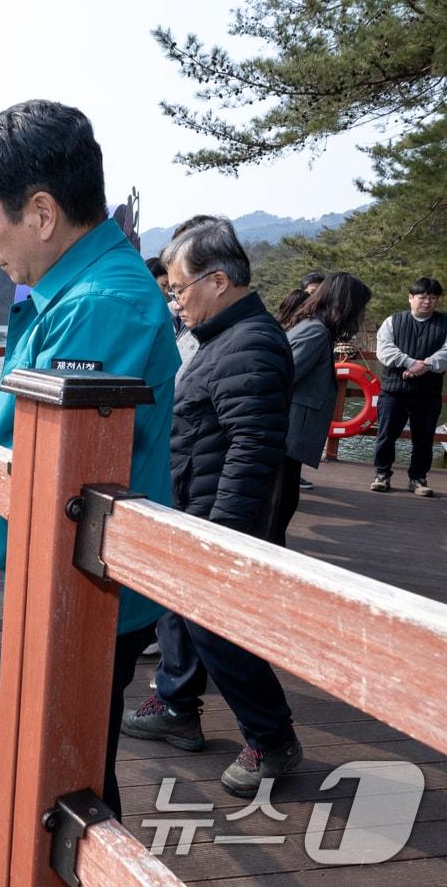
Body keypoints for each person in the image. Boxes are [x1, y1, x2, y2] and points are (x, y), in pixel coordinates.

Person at [0, 100, 180, 883]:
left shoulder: (97, 305)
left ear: (41, 213)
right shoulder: (76, 289)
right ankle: (28, 855)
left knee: (73, 767)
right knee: (61, 755)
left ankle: (61, 869)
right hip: (72, 571)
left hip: (83, 584)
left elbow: (52, 467)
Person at [121, 217, 302, 799]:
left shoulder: (251, 343)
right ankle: (178, 707)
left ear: (217, 281)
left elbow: (254, 449)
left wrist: (218, 534)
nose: (174, 301)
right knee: (184, 618)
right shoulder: (224, 338)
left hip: (214, 520)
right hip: (192, 508)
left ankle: (273, 741)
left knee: (219, 631)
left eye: (178, 289)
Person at [271, 273, 373, 540]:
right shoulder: (315, 332)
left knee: (284, 500)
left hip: (290, 433)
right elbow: (282, 377)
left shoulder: (314, 328)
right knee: (279, 505)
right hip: (288, 432)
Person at [370, 277, 446, 497]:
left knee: (424, 438)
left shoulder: (444, 323)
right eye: (422, 297)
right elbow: (384, 350)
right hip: (394, 391)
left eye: (433, 298)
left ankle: (418, 479)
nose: (427, 302)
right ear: (410, 298)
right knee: (386, 435)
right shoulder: (393, 321)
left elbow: (446, 353)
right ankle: (382, 474)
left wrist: (425, 365)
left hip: (428, 393)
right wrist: (409, 363)